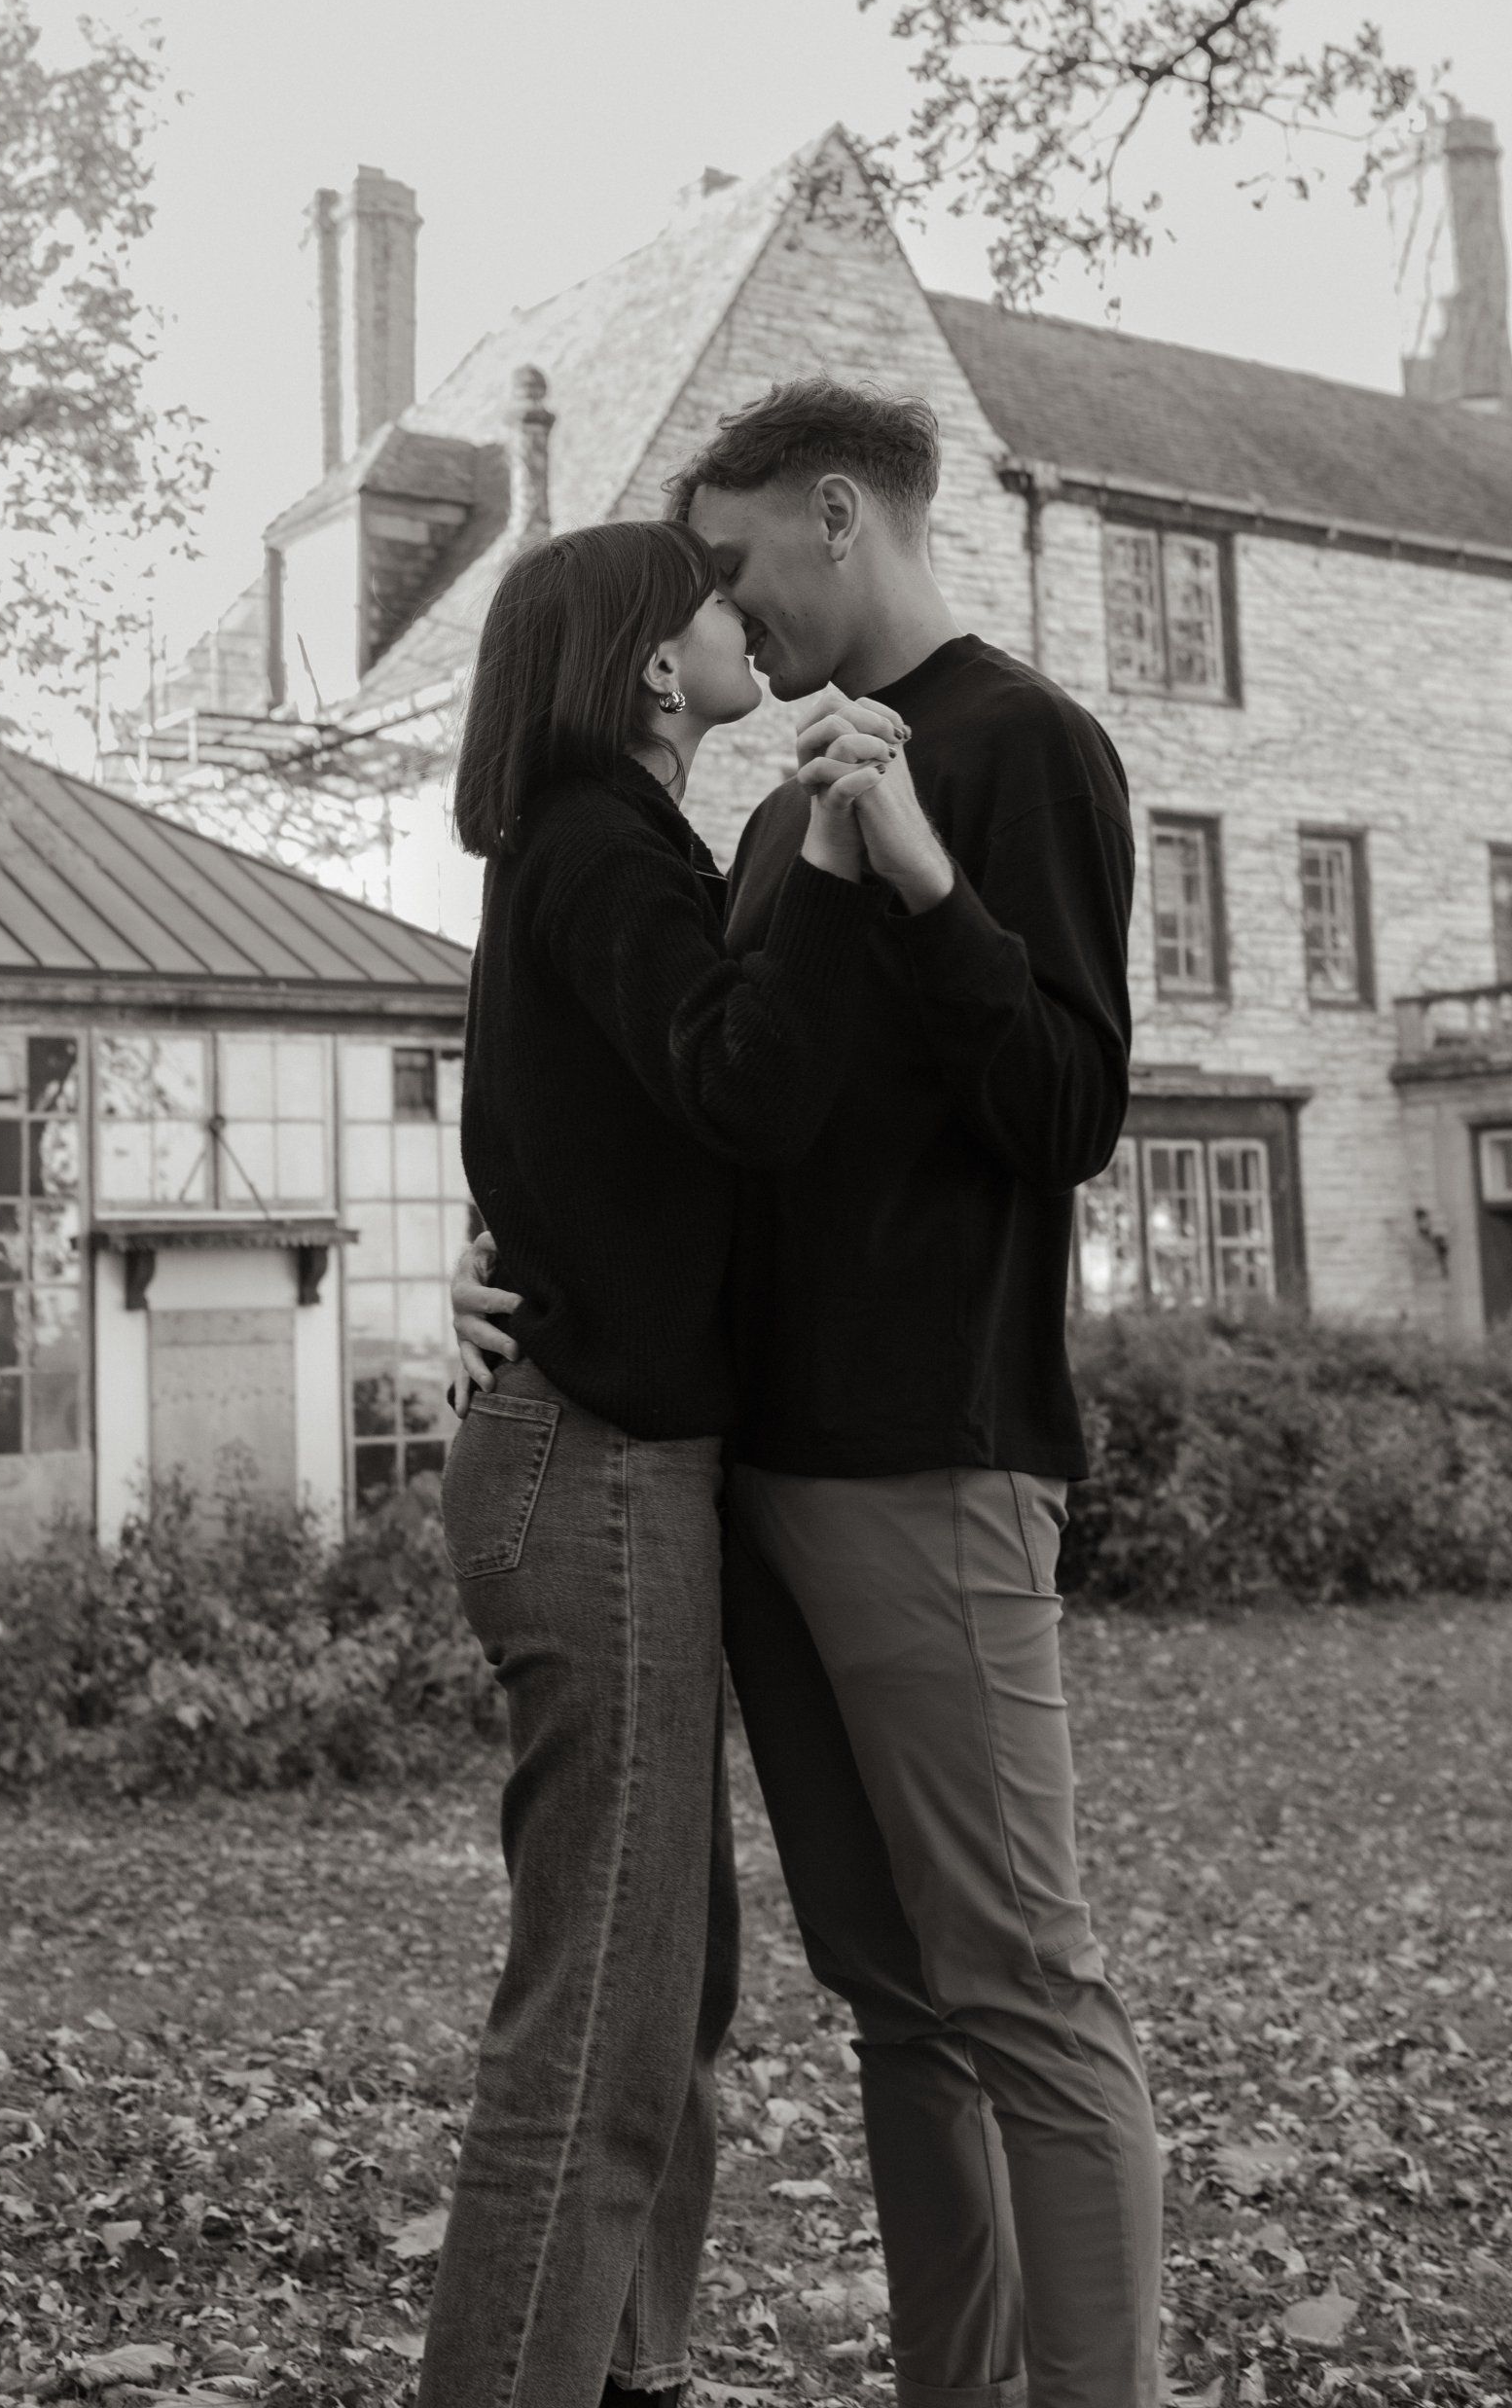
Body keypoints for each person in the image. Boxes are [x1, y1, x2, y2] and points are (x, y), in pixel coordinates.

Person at [455, 382, 1162, 2408]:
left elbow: (1070, 1110)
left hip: (932, 1455)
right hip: (736, 1476)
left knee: (1021, 1988)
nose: (727, 605)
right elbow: (686, 1106)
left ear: (837, 514)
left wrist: (929, 882)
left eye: (736, 557)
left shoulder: (1023, 747)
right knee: (894, 2000)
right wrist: (506, 1255)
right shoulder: (772, 813)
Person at [419, 515, 895, 2408]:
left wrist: (492, 1257)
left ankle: (633, 2369)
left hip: (608, 1465)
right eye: (711, 600)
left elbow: (579, 1148)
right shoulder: (601, 847)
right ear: (647, 664)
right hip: (593, 1471)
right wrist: (842, 867)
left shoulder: (601, 847)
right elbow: (744, 1084)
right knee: (602, 2017)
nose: (741, 618)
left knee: (665, 1985)